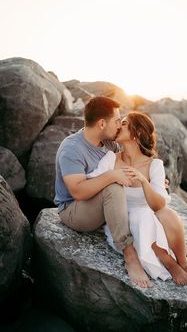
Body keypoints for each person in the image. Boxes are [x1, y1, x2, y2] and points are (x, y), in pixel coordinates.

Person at [87, 111, 187, 285]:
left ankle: (183, 262)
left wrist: (143, 181)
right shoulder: (111, 158)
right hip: (121, 221)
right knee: (141, 217)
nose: (119, 125)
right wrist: (110, 176)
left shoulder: (154, 165)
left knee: (168, 214)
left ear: (138, 132)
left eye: (124, 123)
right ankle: (169, 262)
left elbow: (159, 204)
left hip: (149, 215)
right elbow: (92, 180)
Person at [55, 96, 153, 288]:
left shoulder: (109, 143)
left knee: (143, 196)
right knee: (114, 186)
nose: (119, 125)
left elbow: (131, 163)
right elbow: (78, 192)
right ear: (101, 123)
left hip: (100, 204)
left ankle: (167, 246)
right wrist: (111, 176)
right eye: (117, 121)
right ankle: (129, 255)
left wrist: (150, 179)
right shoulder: (72, 149)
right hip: (74, 210)